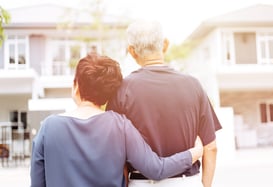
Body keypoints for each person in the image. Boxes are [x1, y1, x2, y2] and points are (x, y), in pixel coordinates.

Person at [30, 54, 203, 187]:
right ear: (109, 94)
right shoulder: (120, 126)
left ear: (76, 85)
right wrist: (194, 153)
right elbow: (156, 169)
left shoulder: (48, 128)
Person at [106, 20, 222, 187]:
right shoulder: (193, 85)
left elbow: (117, 155)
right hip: (187, 182)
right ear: (165, 44)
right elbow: (211, 148)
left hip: (141, 182)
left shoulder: (121, 91)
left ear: (132, 51)